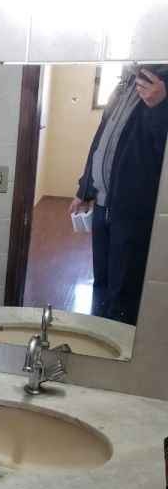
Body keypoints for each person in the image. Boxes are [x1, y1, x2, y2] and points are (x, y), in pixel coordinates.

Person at [70, 65, 168, 325]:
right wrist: (84, 189)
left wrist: (161, 106)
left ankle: (117, 341)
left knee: (123, 290)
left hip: (133, 211)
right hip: (102, 206)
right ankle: (97, 332)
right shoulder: (124, 84)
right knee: (101, 281)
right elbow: (102, 141)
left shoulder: (161, 88)